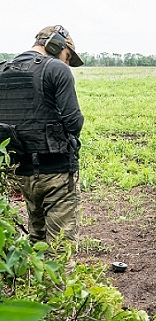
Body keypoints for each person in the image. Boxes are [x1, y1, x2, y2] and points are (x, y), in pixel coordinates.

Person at [0, 25, 84, 269]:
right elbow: (73, 122)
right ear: (57, 45)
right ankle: (60, 306)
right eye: (68, 56)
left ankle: (36, 298)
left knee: (37, 242)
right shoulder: (56, 69)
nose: (67, 64)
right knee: (60, 250)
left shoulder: (3, 70)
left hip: (22, 175)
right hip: (57, 173)